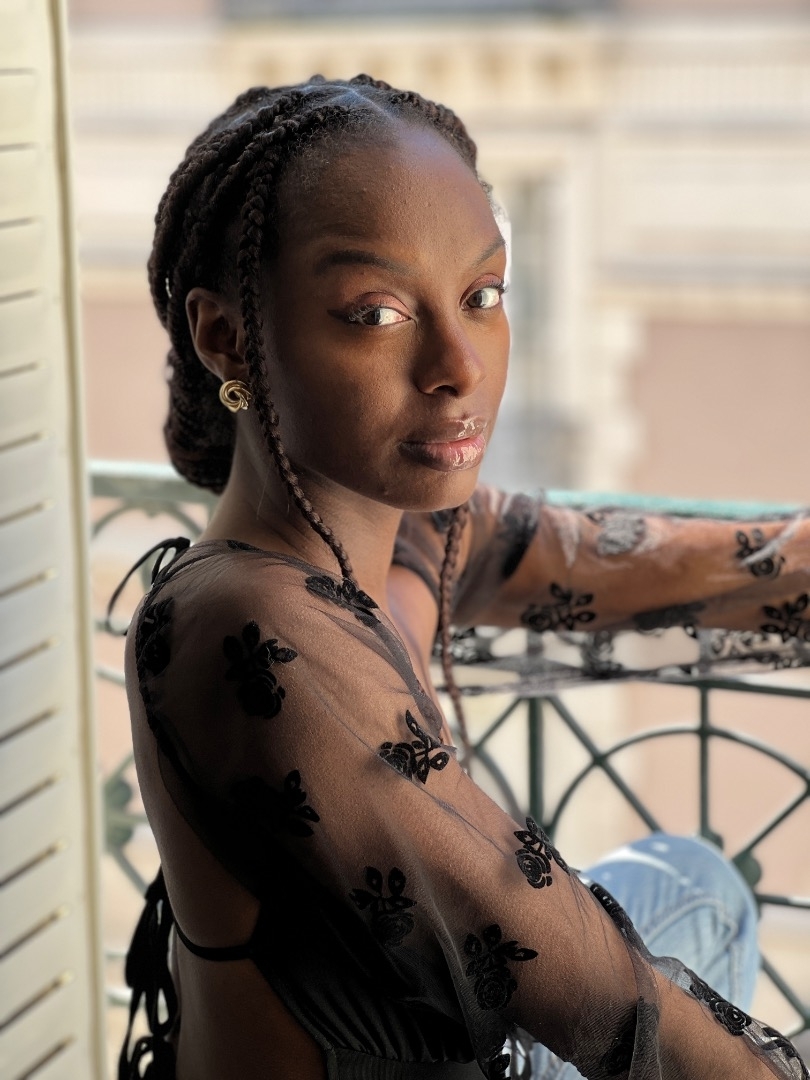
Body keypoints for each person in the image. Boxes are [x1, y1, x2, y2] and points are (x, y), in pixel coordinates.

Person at [116, 75, 810, 1079]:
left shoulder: (401, 535)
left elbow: (689, 567)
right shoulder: (247, 623)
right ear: (227, 337)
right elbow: (594, 990)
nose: (460, 365)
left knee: (693, 886)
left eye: (483, 297)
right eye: (377, 312)